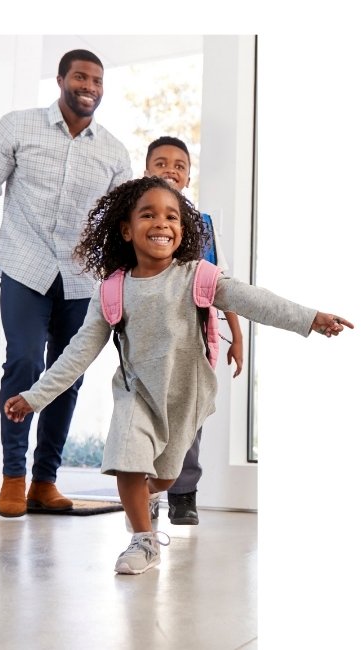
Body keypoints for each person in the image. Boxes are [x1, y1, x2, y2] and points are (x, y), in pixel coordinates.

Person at [3, 175, 353, 574]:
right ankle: (142, 540)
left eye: (171, 217)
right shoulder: (111, 291)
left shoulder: (197, 276)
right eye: (148, 215)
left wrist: (310, 319)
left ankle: (150, 496)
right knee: (129, 460)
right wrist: (35, 396)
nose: (161, 224)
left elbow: (255, 301)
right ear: (126, 228)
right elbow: (77, 354)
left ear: (182, 230)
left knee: (164, 478)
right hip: (137, 392)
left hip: (187, 395)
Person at [0, 49, 132, 518]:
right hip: (24, 265)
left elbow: (122, 223)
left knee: (67, 375)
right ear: (61, 79)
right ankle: (13, 477)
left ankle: (45, 480)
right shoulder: (19, 126)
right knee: (22, 361)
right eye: (81, 77)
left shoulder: (115, 152)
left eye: (97, 80)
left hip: (82, 278)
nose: (90, 87)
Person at [144, 135, 243, 526]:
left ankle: (183, 495)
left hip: (194, 339)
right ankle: (145, 491)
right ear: (147, 169)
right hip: (146, 338)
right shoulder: (133, 218)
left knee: (190, 415)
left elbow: (220, 282)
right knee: (145, 416)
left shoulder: (201, 226)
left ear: (188, 176)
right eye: (162, 162)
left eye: (180, 165)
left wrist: (235, 335)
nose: (171, 169)